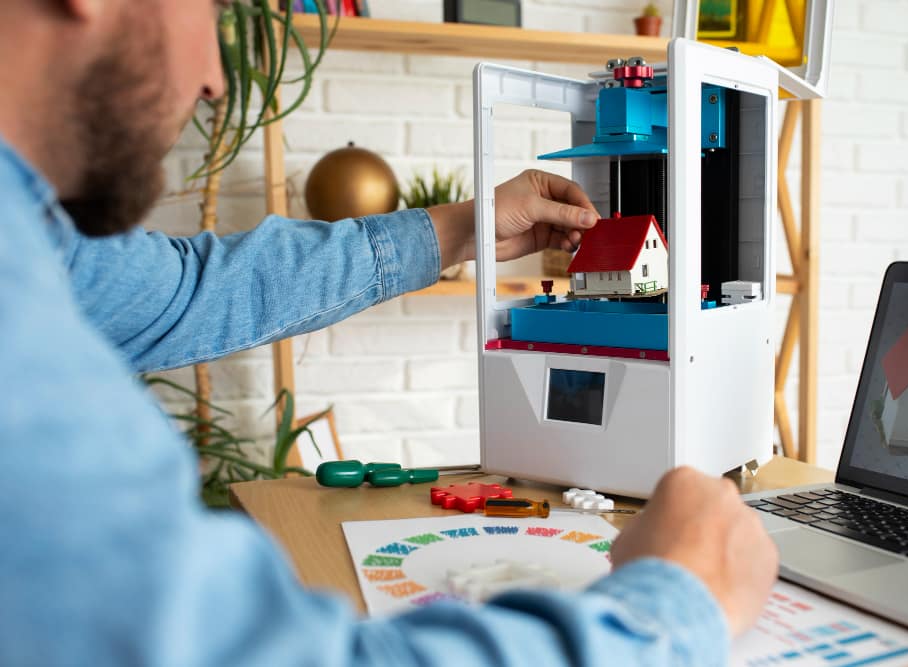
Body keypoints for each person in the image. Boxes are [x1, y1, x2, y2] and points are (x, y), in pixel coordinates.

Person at [0, 1, 779, 664]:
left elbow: (185, 292)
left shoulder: (35, 242)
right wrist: (674, 607)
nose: (215, 79)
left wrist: (461, 229)